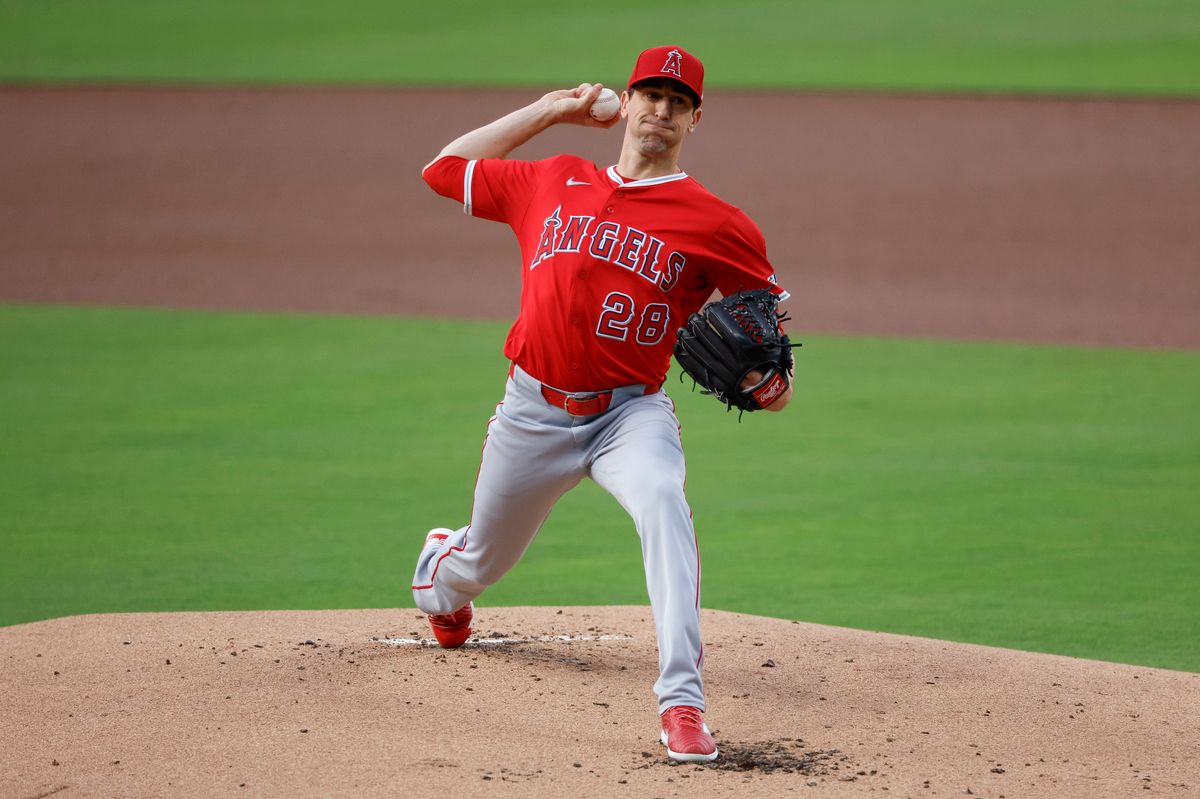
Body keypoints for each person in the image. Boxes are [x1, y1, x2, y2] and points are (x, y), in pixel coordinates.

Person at [412, 45, 791, 763]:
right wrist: (549, 110)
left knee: (663, 502)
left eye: (678, 102)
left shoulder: (719, 223)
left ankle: (682, 703)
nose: (661, 111)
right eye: (651, 95)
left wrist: (772, 389)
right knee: (478, 565)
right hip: (532, 411)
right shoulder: (552, 178)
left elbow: (767, 338)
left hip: (630, 416)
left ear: (695, 119)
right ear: (629, 100)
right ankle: (442, 570)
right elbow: (442, 170)